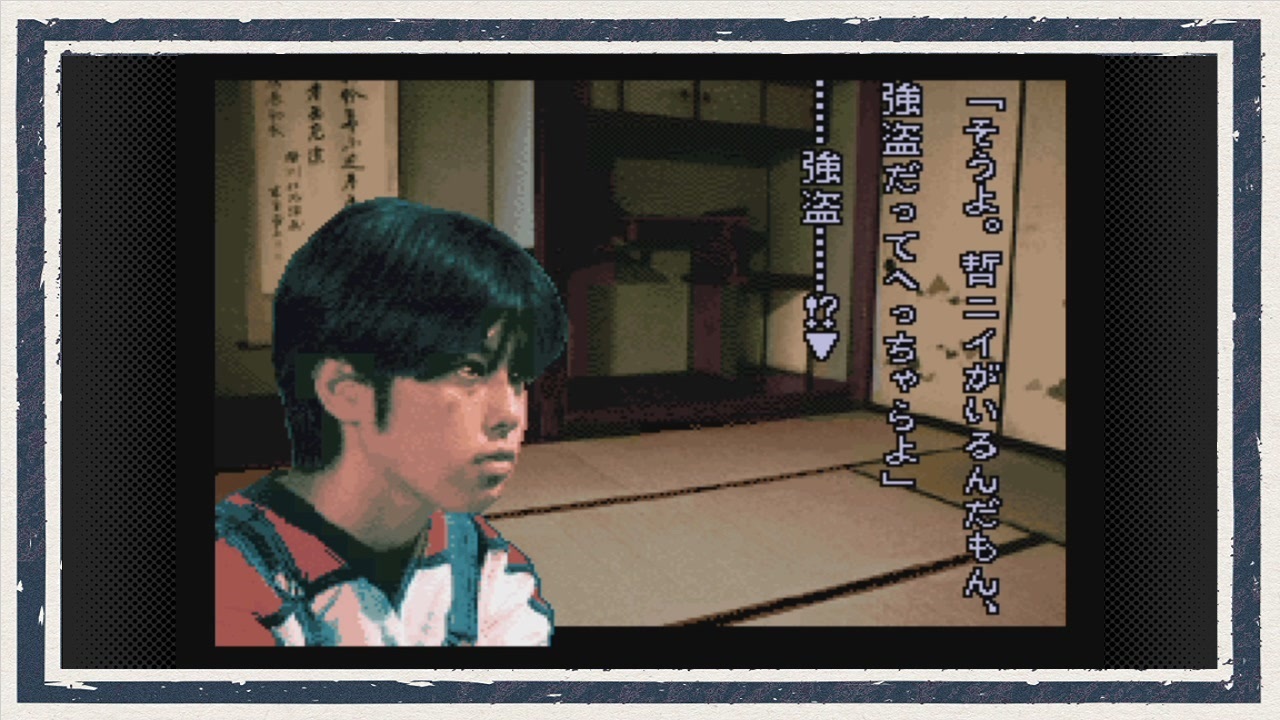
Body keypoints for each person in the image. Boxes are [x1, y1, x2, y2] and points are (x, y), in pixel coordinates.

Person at [215, 198, 567, 646]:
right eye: (470, 371)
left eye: (517, 377)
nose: (510, 415)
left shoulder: (488, 570)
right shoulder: (233, 575)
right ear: (345, 390)